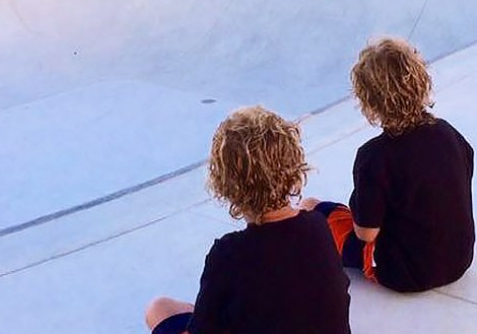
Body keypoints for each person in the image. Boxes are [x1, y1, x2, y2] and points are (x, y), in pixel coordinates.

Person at [144, 106, 351, 334]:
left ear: (225, 185)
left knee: (158, 309)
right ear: (293, 169)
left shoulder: (229, 253)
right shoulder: (318, 225)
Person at [301, 37, 475, 293]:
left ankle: (312, 215)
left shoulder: (374, 157)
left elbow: (366, 234)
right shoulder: (449, 134)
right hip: (459, 260)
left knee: (317, 214)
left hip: (402, 272)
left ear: (368, 102)